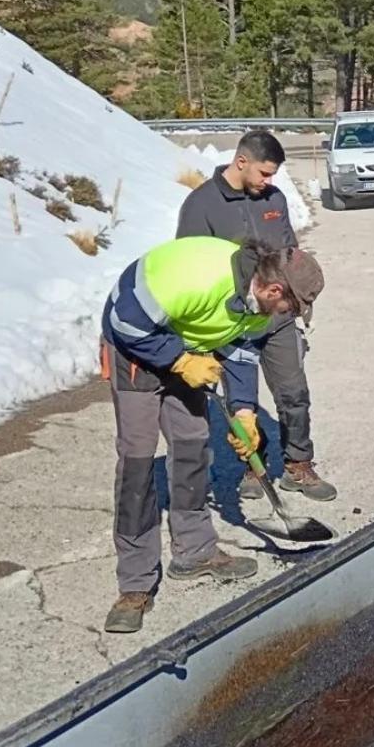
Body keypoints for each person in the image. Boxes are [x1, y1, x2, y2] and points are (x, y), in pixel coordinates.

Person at [100, 236, 325, 634]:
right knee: (137, 463)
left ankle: (195, 552)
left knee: (191, 448)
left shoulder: (260, 307)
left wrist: (244, 414)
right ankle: (134, 584)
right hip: (135, 350)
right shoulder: (197, 278)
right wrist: (178, 358)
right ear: (275, 290)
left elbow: (239, 352)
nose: (291, 314)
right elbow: (123, 320)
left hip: (189, 349)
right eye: (292, 306)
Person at [177, 129, 336, 502]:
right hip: (232, 324)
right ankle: (255, 466)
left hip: (276, 319)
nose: (269, 182)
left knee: (294, 392)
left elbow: (290, 254)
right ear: (241, 161)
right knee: (242, 401)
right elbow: (190, 268)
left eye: (273, 176)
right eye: (264, 174)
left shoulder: (274, 198)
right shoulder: (201, 205)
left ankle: (298, 464)